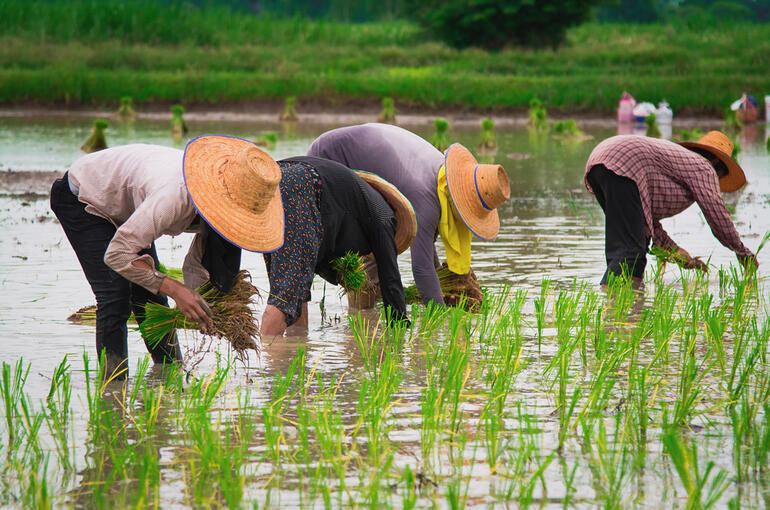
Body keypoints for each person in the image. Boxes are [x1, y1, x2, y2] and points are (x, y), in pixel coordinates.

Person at [50, 135, 283, 380]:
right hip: (83, 198)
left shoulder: (218, 208)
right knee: (115, 293)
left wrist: (205, 308)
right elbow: (117, 255)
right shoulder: (173, 198)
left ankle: (170, 375)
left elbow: (197, 263)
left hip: (127, 206)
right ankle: (113, 389)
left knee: (151, 297)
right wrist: (176, 290)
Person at [307, 123, 511, 306]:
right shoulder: (426, 196)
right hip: (329, 158)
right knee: (370, 255)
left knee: (381, 246)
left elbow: (426, 246)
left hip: (359, 159)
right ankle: (359, 328)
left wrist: (442, 286)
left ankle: (364, 323)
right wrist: (439, 319)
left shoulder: (442, 180)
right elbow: (421, 269)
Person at [260, 155, 416, 336]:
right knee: (284, 295)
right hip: (301, 188)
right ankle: (268, 358)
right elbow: (391, 279)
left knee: (294, 282)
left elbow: (314, 257)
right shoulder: (385, 218)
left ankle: (296, 345)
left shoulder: (352, 196)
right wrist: (400, 330)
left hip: (272, 179)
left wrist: (339, 275)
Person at [584, 131, 757, 285]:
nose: (715, 182)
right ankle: (615, 307)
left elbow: (646, 222)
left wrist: (676, 253)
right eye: (719, 177)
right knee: (631, 252)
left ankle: (623, 307)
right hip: (623, 162)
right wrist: (743, 252)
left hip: (600, 163)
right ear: (716, 163)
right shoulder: (703, 166)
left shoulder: (681, 163)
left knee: (631, 247)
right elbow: (717, 215)